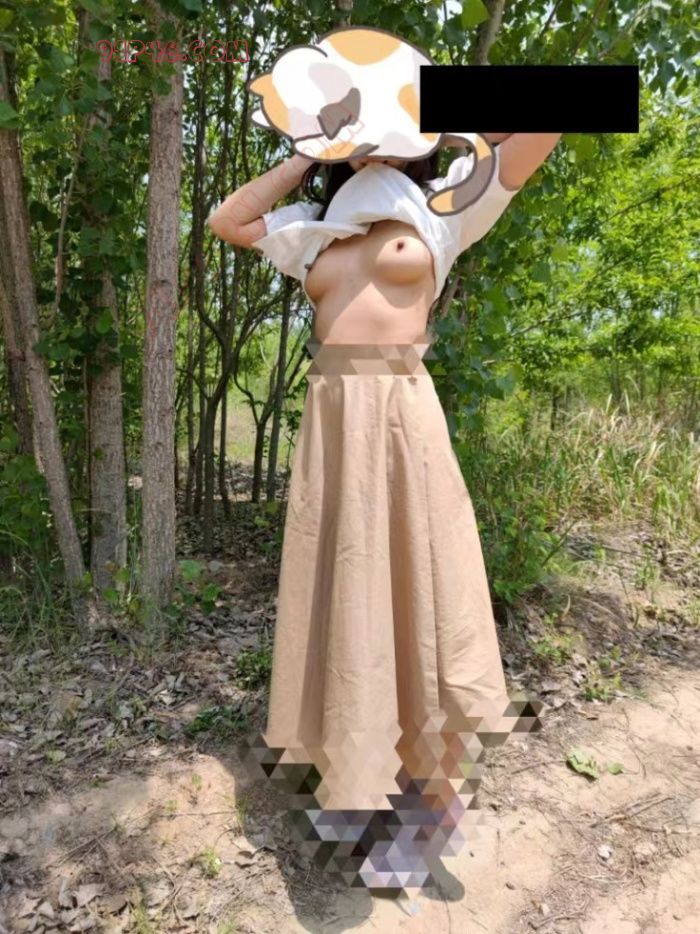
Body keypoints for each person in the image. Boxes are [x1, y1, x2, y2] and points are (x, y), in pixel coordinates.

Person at [208, 131, 560, 893]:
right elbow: (226, 221)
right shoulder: (317, 224)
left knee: (425, 605)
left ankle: (426, 816)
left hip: (401, 418)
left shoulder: (444, 204)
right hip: (333, 425)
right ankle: (356, 795)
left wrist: (429, 115)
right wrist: (312, 148)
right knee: (349, 610)